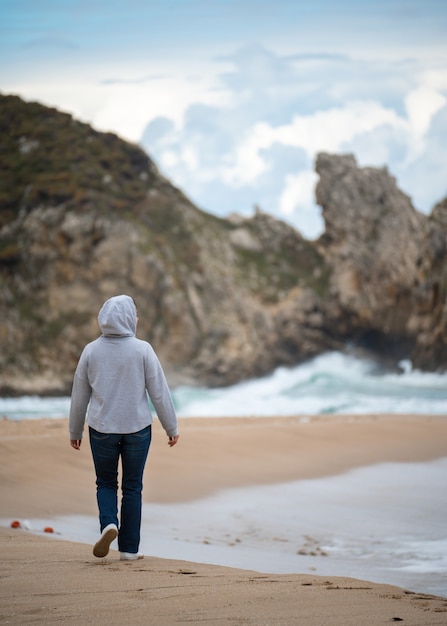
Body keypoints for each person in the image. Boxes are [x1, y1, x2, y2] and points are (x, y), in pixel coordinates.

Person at [69, 294, 179, 561]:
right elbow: (159, 392)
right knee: (132, 487)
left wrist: (75, 431)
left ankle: (109, 523)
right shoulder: (143, 349)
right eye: (135, 313)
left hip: (102, 428)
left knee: (106, 483)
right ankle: (129, 550)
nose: (137, 317)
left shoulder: (91, 350)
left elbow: (79, 394)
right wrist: (171, 426)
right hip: (137, 429)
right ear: (128, 318)